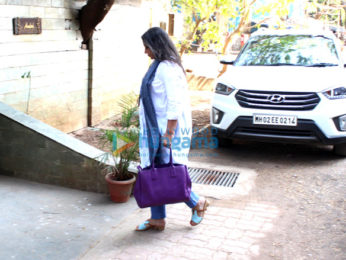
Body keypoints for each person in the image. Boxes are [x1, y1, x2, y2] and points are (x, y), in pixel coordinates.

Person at [136, 27, 209, 231]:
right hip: (155, 129)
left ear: (156, 45)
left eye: (147, 47)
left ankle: (197, 202)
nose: (145, 51)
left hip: (165, 131)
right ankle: (157, 218)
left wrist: (168, 134)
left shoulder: (167, 68)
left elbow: (174, 103)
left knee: (168, 172)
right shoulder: (159, 65)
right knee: (155, 171)